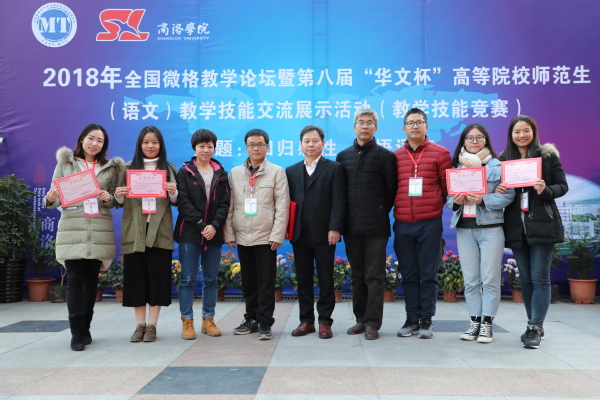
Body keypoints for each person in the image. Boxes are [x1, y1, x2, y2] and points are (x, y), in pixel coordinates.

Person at [45, 124, 123, 351]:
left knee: (91, 281)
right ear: (81, 139)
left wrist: (108, 197)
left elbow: (115, 200)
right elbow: (54, 199)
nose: (94, 143)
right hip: (73, 227)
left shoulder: (110, 168)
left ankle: (86, 328)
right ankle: (76, 332)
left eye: (100, 140)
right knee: (75, 280)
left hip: (99, 228)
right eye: (91, 138)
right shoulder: (65, 164)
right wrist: (50, 197)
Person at [495, 115, 568, 349]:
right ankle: (533, 324)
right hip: (516, 227)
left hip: (543, 224)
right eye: (517, 131)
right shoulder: (504, 160)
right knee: (525, 278)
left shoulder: (547, 156)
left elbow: (562, 186)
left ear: (533, 132)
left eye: (526, 130)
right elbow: (500, 194)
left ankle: (534, 327)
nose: (522, 135)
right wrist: (499, 189)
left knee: (540, 277)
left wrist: (546, 190)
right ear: (511, 134)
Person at [446, 124, 515, 343]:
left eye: (479, 137)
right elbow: (448, 199)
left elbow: (508, 196)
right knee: (471, 280)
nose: (474, 141)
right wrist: (456, 201)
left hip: (491, 228)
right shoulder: (457, 167)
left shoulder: (497, 166)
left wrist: (483, 199)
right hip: (464, 229)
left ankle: (487, 324)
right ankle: (474, 322)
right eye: (470, 138)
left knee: (490, 279)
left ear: (486, 140)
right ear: (463, 141)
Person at [336, 109, 398, 340]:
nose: (365, 126)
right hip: (351, 226)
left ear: (375, 128)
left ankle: (373, 322)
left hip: (376, 226)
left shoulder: (385, 156)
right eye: (360, 122)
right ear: (354, 127)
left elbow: (391, 191)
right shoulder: (343, 157)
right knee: (357, 274)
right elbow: (340, 193)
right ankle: (360, 319)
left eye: (369, 123)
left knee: (375, 275)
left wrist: (378, 210)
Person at [224, 129, 289, 340]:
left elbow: (282, 206)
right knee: (249, 282)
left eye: (260, 144)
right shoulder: (235, 173)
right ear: (246, 148)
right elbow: (230, 205)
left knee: (266, 282)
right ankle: (251, 318)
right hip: (243, 236)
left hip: (266, 237)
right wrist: (229, 233)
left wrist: (277, 235)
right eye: (252, 144)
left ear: (267, 147)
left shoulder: (277, 172)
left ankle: (265, 322)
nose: (256, 148)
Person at [114, 126, 178, 343]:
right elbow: (118, 201)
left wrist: (174, 192)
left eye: (154, 142)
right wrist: (119, 195)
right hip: (135, 231)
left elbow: (177, 201)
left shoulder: (169, 168)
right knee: (136, 279)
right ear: (139, 145)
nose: (150, 146)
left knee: (158, 280)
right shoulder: (128, 168)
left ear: (161, 145)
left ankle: (152, 325)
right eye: (146, 142)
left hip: (160, 231)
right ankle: (139, 325)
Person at [394, 108, 452, 339]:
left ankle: (426, 320)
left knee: (428, 274)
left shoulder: (440, 153)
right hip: (403, 223)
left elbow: (447, 188)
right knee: (408, 274)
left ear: (426, 126)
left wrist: (433, 206)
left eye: (419, 122)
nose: (415, 126)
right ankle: (411, 320)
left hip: (430, 222)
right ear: (404, 129)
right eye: (411, 123)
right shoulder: (396, 156)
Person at [286, 125, 346, 339]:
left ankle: (325, 321)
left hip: (324, 234)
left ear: (323, 144)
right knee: (303, 279)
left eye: (314, 141)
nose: (310, 145)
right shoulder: (291, 171)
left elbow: (339, 201)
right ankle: (306, 321)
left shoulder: (334, 168)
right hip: (299, 234)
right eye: (306, 141)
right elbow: (287, 203)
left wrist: (335, 228)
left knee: (326, 279)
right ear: (300, 145)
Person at [174, 129, 230, 339]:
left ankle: (208, 319)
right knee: (187, 279)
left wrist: (214, 225)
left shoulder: (221, 173)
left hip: (214, 233)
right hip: (190, 232)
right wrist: (200, 224)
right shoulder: (185, 172)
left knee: (211, 279)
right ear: (194, 148)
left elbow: (225, 203)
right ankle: (187, 321)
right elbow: (183, 202)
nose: (206, 150)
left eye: (210, 146)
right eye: (202, 146)